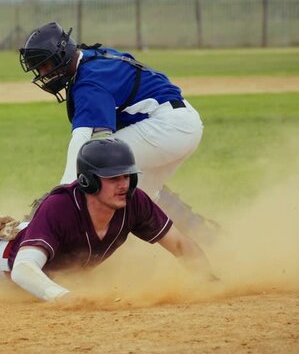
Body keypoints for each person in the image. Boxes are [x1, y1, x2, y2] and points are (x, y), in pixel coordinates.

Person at [0, 138, 216, 301]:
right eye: (113, 177)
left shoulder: (132, 202)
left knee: (0, 233)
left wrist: (210, 279)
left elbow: (180, 244)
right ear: (89, 181)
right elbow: (25, 270)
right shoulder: (60, 208)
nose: (124, 183)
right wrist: (65, 299)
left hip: (18, 239)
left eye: (127, 175)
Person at [19, 22, 219, 243]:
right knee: (142, 197)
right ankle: (205, 237)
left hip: (168, 128)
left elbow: (82, 141)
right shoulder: (92, 57)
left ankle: (63, 242)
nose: (44, 74)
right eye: (40, 69)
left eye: (46, 65)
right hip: (179, 123)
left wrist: (61, 192)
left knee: (97, 161)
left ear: (63, 55)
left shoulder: (89, 82)